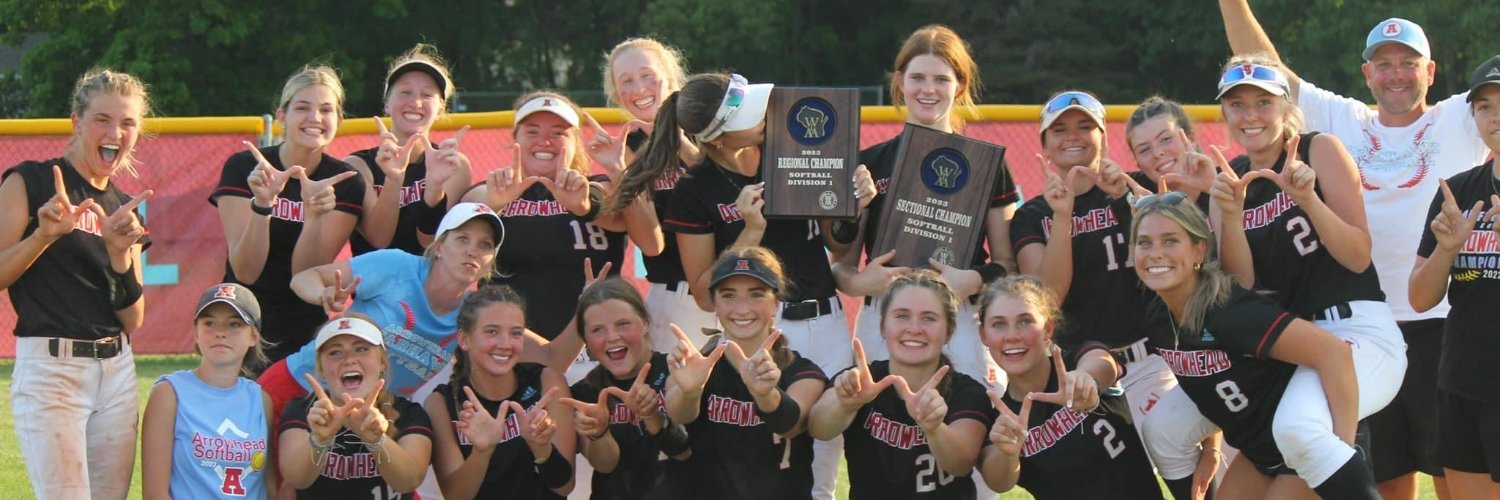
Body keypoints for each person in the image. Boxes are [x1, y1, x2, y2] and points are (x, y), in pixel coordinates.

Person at [1218, 6, 1491, 496]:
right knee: (1385, 474)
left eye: (1408, 62)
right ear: (1366, 74)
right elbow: (1264, 70)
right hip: (1364, 327)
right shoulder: (1345, 120)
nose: (1396, 75)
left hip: (1444, 323)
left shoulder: (1459, 117)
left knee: (1453, 476)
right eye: (1383, 64)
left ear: (1430, 71)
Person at [618, 71, 874, 499]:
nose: (765, 117)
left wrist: (853, 208)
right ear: (717, 137)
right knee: (760, 453)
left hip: (823, 319)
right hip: (755, 330)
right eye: (748, 113)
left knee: (825, 461)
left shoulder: (794, 149)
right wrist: (750, 228)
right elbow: (704, 291)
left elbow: (835, 240)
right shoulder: (694, 190)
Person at [1209, 59, 1407, 487]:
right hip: (1293, 351)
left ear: (1285, 107)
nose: (1250, 115)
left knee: (1296, 428)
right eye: (1237, 104)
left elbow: (1357, 256)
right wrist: (1229, 215)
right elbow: (1241, 287)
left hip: (1357, 331)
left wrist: (1308, 200)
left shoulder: (1319, 149)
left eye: (1263, 102)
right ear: (1224, 114)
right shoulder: (1230, 180)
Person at [1011, 89, 1215, 497]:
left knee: (1201, 489)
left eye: (1086, 126)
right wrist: (1063, 215)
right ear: (1044, 145)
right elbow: (1046, 296)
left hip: (1156, 359)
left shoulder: (1136, 186)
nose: (1074, 136)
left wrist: (1125, 194)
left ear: (1104, 135)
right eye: (1060, 130)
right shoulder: (1033, 214)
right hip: (1088, 379)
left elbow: (1198, 264)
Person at [1133, 189, 1381, 498]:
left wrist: (1341, 452)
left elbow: (1334, 352)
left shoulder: (1228, 311)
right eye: (1144, 242)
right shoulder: (1158, 316)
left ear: (1199, 250)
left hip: (1304, 447)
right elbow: (1209, 388)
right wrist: (1211, 448)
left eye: (1170, 240)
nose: (1155, 253)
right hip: (1260, 454)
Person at [832, 24, 1013, 387]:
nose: (928, 89)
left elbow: (1008, 265)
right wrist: (862, 282)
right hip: (883, 313)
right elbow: (841, 267)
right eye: (917, 77)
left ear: (959, 86)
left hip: (959, 315)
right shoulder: (869, 163)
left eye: (941, 79)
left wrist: (971, 279)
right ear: (899, 81)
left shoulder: (986, 166)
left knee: (963, 428)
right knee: (880, 429)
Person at [0, 68, 152, 499]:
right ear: (76, 122)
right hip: (52, 368)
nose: (115, 132)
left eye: (127, 123)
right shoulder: (29, 181)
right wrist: (44, 235)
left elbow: (133, 319)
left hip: (116, 371)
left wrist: (121, 254)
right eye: (103, 119)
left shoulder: (125, 209)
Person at [259, 202, 504, 417]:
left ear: (490, 261)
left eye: (485, 245)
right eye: (462, 239)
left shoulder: (475, 312)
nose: (473, 251)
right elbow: (304, 278)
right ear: (439, 247)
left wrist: (545, 350)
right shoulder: (397, 266)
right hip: (296, 388)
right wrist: (323, 294)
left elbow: (519, 339)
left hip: (365, 418)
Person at [212, 64, 365, 364]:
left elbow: (303, 276)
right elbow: (245, 272)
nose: (315, 118)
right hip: (241, 318)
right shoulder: (245, 167)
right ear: (282, 116)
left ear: (339, 119)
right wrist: (263, 204)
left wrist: (315, 217)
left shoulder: (344, 181)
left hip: (301, 326)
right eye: (303, 108)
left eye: (326, 109)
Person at [663, 247, 830, 500]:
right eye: (729, 295)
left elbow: (790, 424)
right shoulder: (696, 366)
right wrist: (689, 390)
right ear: (714, 304)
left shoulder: (802, 372)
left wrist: (765, 395)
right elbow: (679, 415)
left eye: (756, 295)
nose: (742, 309)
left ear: (775, 304)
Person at [974, 275, 1162, 499]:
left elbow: (1102, 362)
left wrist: (1087, 382)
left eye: (1025, 321)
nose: (1012, 335)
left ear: (1048, 329)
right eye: (999, 324)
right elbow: (998, 482)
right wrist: (1007, 453)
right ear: (983, 335)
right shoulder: (1002, 419)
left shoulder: (1077, 363)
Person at [808, 269, 991, 499]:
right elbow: (819, 428)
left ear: (949, 332)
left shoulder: (966, 391)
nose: (914, 328)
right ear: (883, 326)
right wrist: (845, 404)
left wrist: (934, 428)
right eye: (902, 316)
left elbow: (961, 463)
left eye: (929, 318)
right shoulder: (863, 380)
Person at [461, 92, 626, 346]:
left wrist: (584, 205)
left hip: (597, 347)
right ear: (514, 139)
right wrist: (492, 205)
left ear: (576, 142)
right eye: (532, 131)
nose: (544, 142)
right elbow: (471, 206)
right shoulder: (494, 191)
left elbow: (613, 206)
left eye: (558, 132)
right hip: (509, 350)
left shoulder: (597, 186)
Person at [1409, 55, 1500, 499]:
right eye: (1484, 106)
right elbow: (1421, 298)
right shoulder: (1459, 190)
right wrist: (1447, 250)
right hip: (1462, 379)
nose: (1495, 116)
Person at [599, 36, 720, 353]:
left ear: (670, 77)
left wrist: (674, 137)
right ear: (616, 94)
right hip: (675, 297)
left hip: (737, 288)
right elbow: (651, 245)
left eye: (647, 75)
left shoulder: (711, 126)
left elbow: (727, 186)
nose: (638, 89)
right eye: (626, 81)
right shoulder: (626, 150)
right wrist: (624, 174)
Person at [425, 285, 577, 499]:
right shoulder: (441, 403)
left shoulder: (547, 382)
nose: (505, 344)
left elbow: (564, 487)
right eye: (492, 332)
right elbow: (456, 496)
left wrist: (541, 449)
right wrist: (482, 451)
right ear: (464, 339)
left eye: (515, 333)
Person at [559, 278, 691, 499]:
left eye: (622, 324)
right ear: (586, 340)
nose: (612, 337)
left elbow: (683, 451)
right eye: (598, 330)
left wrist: (652, 415)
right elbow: (605, 465)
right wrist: (599, 432)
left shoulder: (678, 372)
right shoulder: (586, 393)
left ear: (645, 322)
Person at [141, 283, 275, 499]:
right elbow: (155, 494)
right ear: (195, 333)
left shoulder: (260, 399)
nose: (220, 333)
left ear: (254, 337)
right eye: (209, 323)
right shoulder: (170, 393)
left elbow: (269, 486)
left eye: (234, 324)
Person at [278, 314, 434, 499]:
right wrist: (319, 440)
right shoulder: (304, 410)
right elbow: (297, 479)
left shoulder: (408, 413)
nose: (349, 359)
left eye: (361, 349)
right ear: (321, 368)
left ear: (382, 362)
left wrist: (377, 441)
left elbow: (409, 481)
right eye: (335, 352)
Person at [345, 43, 473, 256]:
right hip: (374, 286)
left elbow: (430, 243)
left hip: (430, 286)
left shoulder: (453, 166)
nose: (416, 102)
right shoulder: (359, 166)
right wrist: (394, 179)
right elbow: (379, 241)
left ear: (441, 109)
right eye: (405, 92)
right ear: (386, 103)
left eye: (427, 94)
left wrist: (434, 188)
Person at [1124, 96, 1215, 204]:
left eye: (1166, 139)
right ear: (1138, 163)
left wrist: (1215, 190)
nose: (1157, 153)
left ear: (1191, 138)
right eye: (1144, 149)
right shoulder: (1132, 195)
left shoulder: (1230, 180)